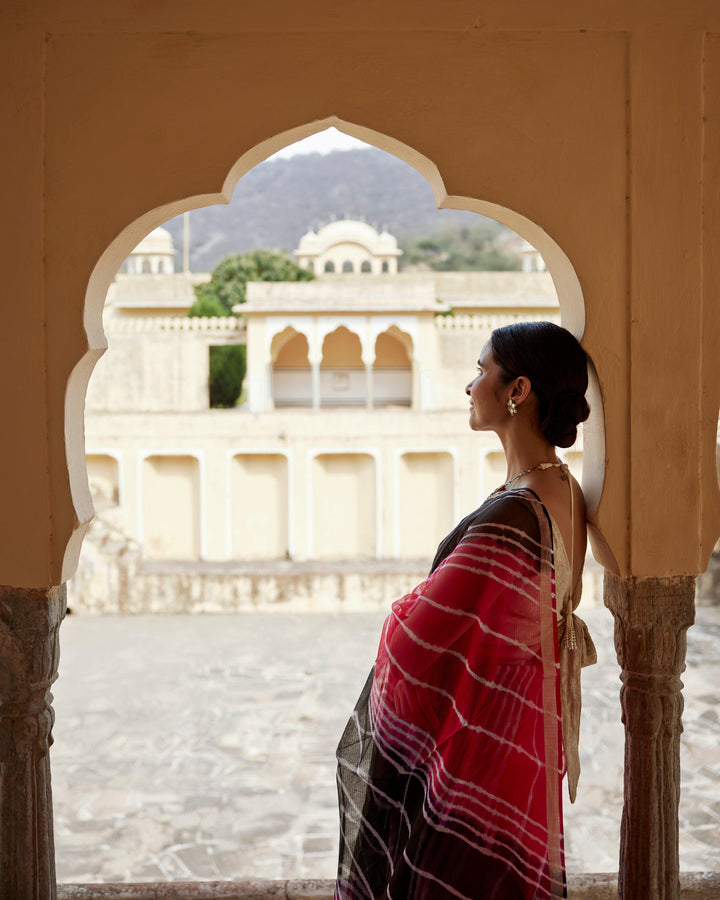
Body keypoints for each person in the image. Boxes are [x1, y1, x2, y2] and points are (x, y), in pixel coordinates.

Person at [334, 321, 597, 900]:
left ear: (517, 390)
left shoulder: (517, 512)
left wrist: (403, 608)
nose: (470, 385)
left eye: (481, 371)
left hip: (481, 742)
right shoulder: (564, 490)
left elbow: (418, 638)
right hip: (523, 729)